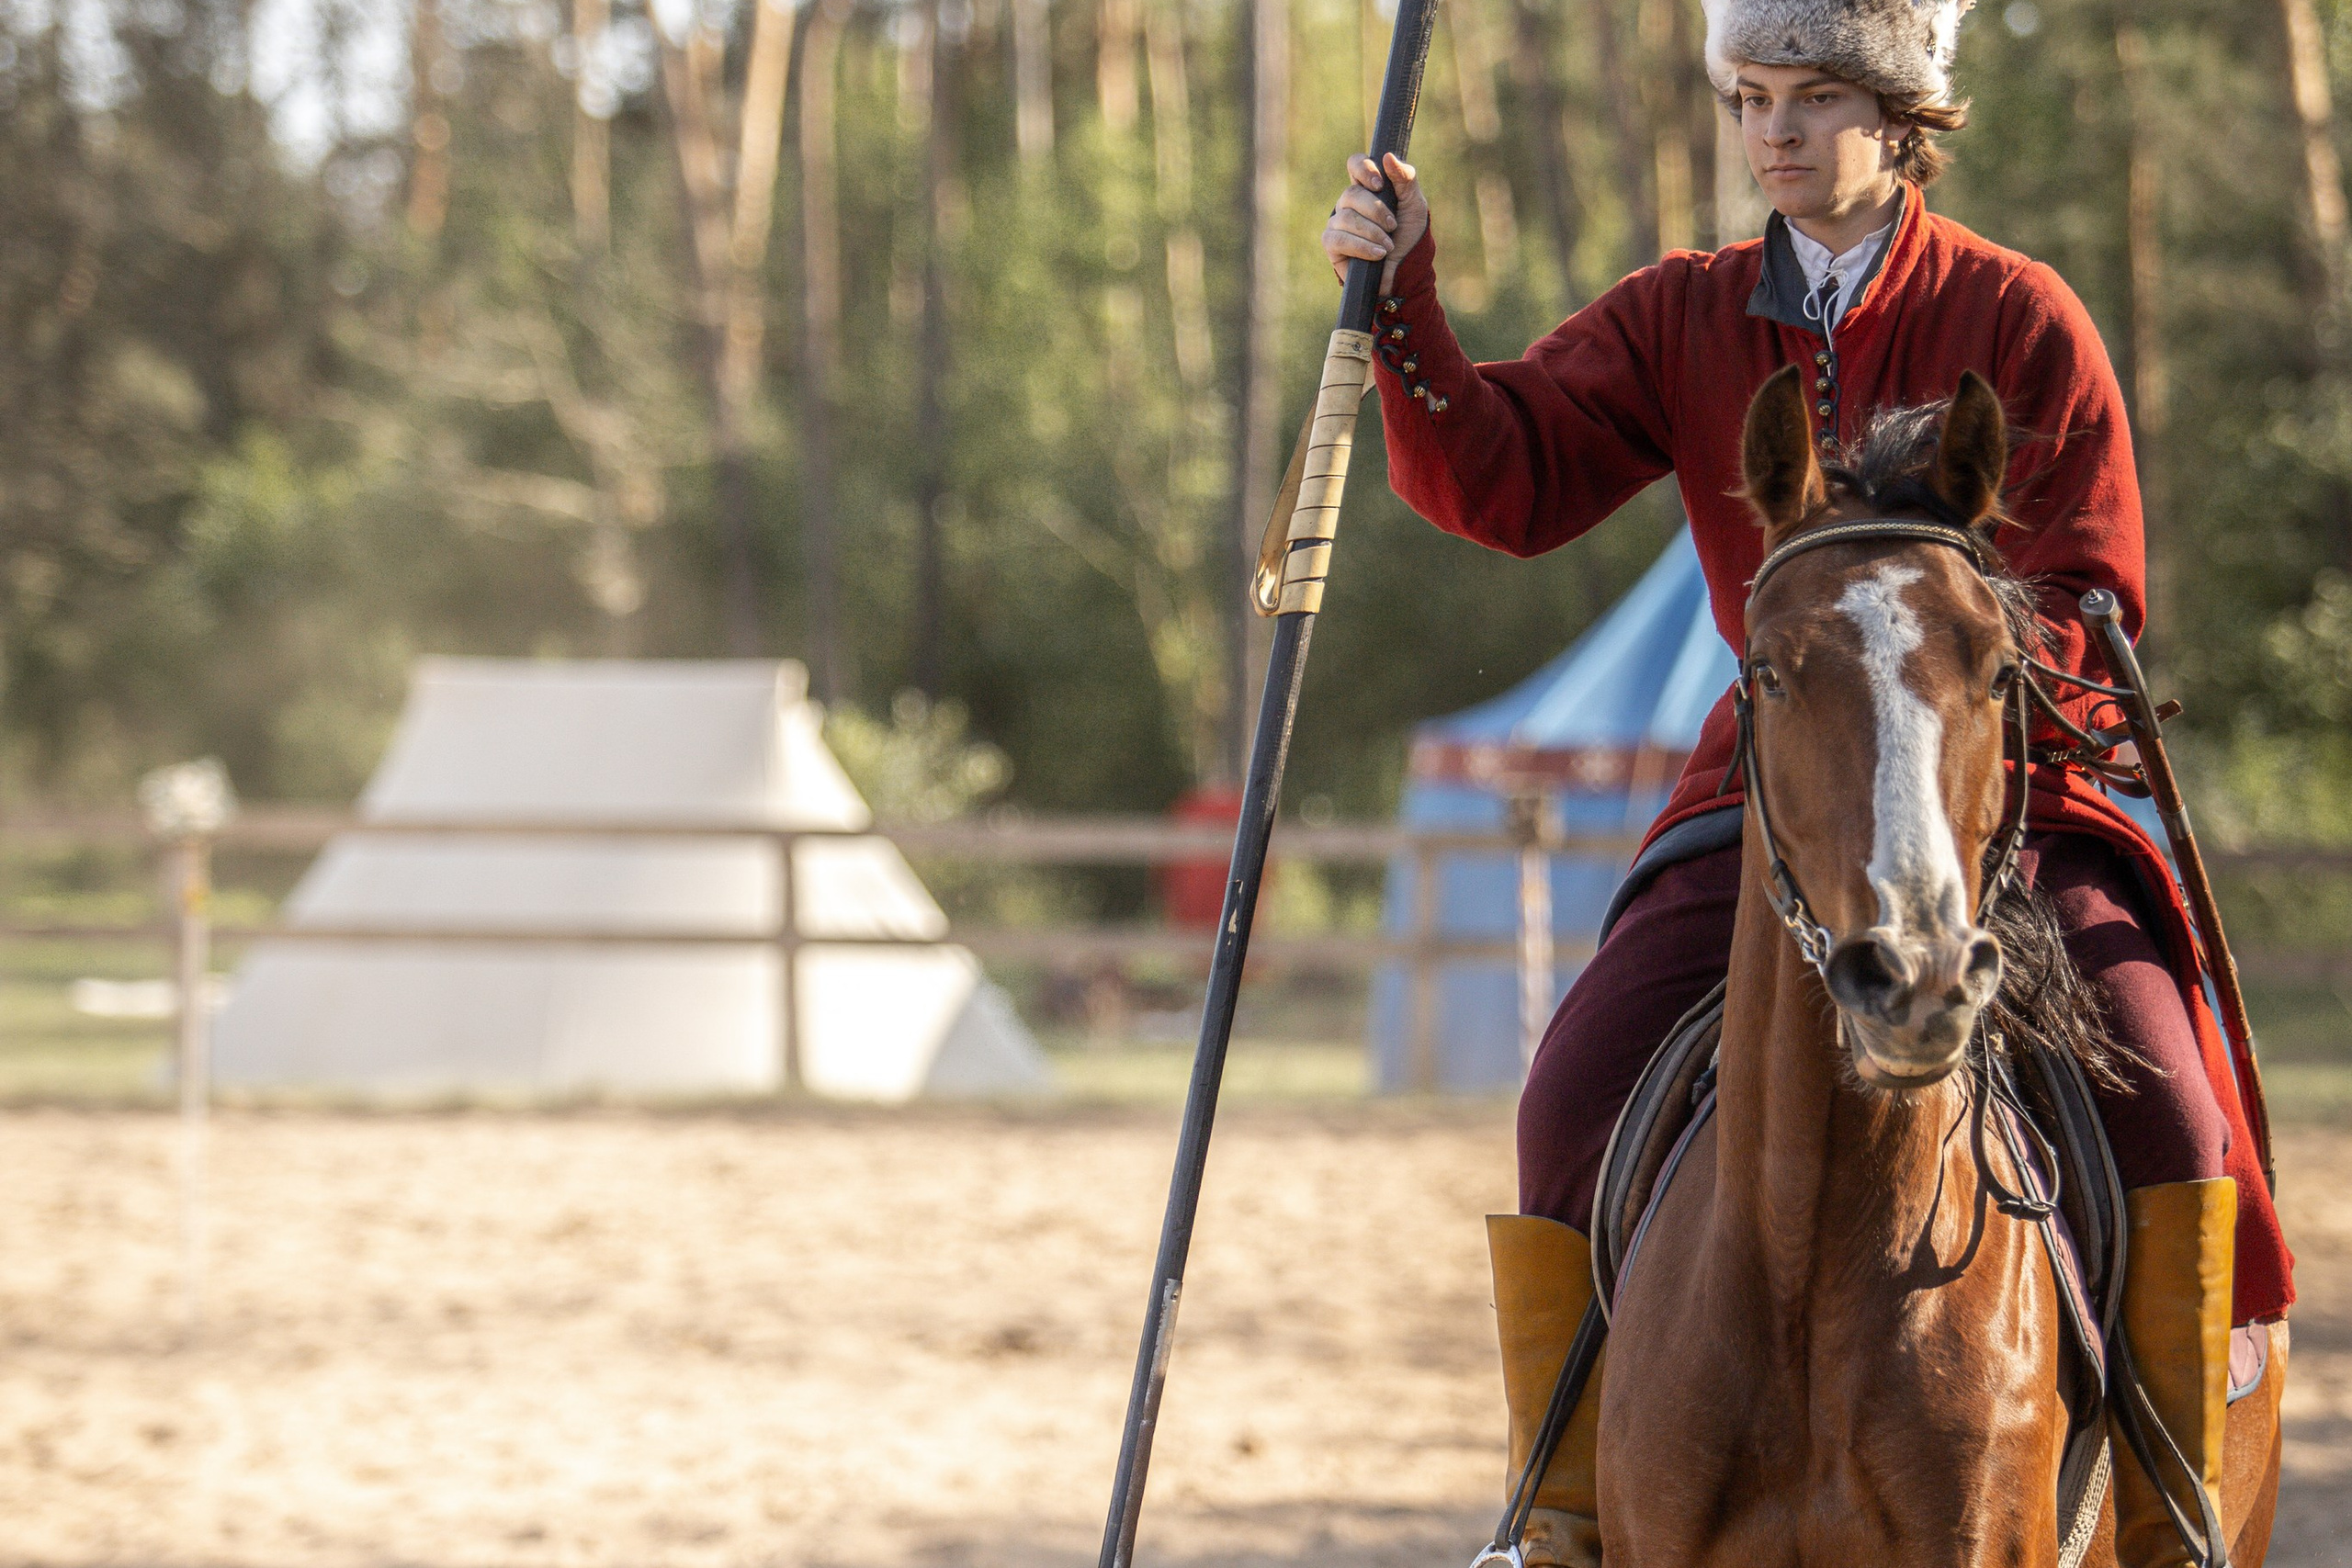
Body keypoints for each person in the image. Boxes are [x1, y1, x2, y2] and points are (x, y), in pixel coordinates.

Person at [1318, 0, 2292, 1563]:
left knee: (2172, 1108)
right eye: (1750, 98)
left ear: (1902, 113)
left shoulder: (2022, 315)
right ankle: (1561, 1512)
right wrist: (1405, 296)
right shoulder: (1683, 316)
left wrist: (1948, 740)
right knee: (1570, 1090)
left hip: (2015, 781)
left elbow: (2094, 586)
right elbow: (1500, 481)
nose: (1775, 133)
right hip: (1765, 785)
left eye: (1816, 95)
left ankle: (2178, 1519)